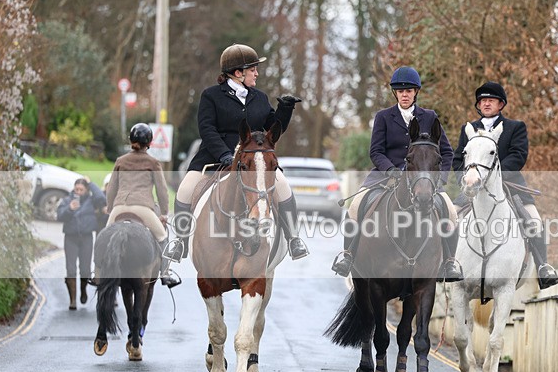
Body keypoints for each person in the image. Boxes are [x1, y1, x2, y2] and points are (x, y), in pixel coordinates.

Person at [170, 43, 307, 261]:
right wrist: (224, 153)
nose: (257, 73)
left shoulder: (260, 98)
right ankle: (179, 241)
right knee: (185, 190)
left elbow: (273, 132)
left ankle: (293, 239)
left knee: (283, 186)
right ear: (237, 73)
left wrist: (285, 110)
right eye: (253, 69)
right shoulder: (211, 96)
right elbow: (207, 129)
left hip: (253, 161)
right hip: (214, 158)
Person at [331, 66, 462, 281]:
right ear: (395, 93)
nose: (405, 95)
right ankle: (348, 255)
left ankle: (449, 263)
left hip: (424, 179)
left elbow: (446, 152)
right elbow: (376, 151)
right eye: (400, 91)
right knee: (355, 207)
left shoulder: (429, 117)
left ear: (415, 92)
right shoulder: (383, 117)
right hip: (385, 175)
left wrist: (440, 180)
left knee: (451, 212)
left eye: (409, 91)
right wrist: (391, 171)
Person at [452, 81, 558, 290]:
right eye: (482, 101)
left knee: (534, 221)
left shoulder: (515, 127)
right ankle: (447, 264)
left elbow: (519, 156)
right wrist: (463, 180)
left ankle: (543, 267)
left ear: (501, 104)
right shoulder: (468, 129)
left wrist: (494, 177)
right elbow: (458, 159)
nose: (486, 104)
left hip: (510, 185)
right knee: (450, 218)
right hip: (473, 186)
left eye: (491, 100)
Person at [104, 123, 181, 288]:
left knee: (105, 238)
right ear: (149, 142)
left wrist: (110, 208)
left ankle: (99, 272)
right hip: (142, 208)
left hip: (120, 207)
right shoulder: (153, 162)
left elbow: (111, 188)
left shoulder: (120, 161)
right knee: (163, 237)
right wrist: (164, 214)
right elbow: (162, 191)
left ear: (130, 140)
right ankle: (165, 273)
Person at [56, 177, 106, 309]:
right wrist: (70, 209)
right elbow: (59, 216)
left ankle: (83, 291)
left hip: (86, 238)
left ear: (86, 190)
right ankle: (72, 300)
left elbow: (101, 198)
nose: (78, 192)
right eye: (76, 189)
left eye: (81, 189)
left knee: (85, 270)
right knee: (70, 270)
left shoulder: (92, 201)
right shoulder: (67, 200)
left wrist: (90, 183)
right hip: (70, 238)